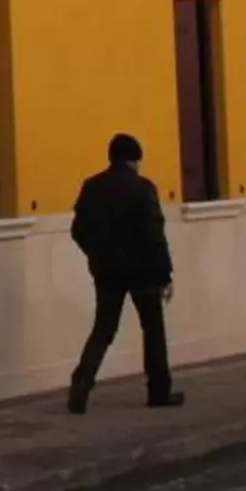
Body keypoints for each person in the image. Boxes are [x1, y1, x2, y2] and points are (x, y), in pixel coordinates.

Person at [67, 132, 181, 412]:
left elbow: (78, 230)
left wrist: (96, 254)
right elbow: (154, 234)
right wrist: (164, 273)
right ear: (134, 160)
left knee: (103, 328)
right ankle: (158, 391)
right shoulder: (143, 189)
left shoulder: (92, 187)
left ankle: (81, 383)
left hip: (106, 271)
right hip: (142, 271)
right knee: (153, 329)